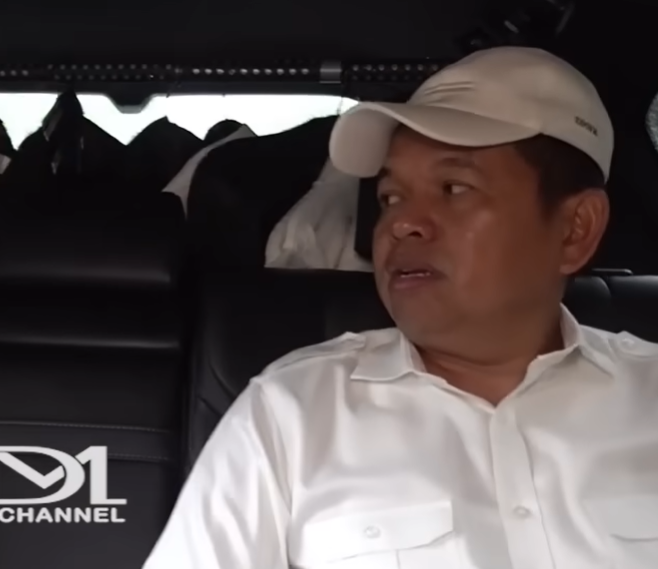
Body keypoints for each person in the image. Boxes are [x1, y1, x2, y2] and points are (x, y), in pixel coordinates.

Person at [142, 46, 654, 568]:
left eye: (454, 188)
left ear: (575, 229)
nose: (401, 224)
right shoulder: (291, 414)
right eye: (390, 198)